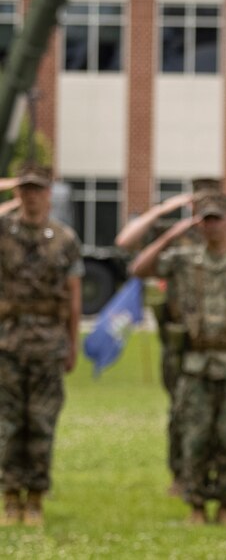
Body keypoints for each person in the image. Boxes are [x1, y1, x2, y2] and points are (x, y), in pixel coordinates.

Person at [130, 192, 226, 525]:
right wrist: (173, 232)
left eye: (217, 218)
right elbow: (139, 268)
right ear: (198, 223)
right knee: (196, 436)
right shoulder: (184, 259)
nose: (212, 225)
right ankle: (197, 506)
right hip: (195, 362)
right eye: (206, 219)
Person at [0, 164, 84, 527]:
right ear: (16, 192)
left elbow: (74, 295)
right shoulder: (2, 232)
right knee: (6, 423)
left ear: (49, 193)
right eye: (25, 189)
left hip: (49, 342)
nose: (31, 196)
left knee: (41, 422)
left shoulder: (65, 239)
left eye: (38, 189)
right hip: (8, 342)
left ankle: (34, 499)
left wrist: (72, 343)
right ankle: (9, 499)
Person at [115, 190, 197, 494]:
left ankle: (207, 480)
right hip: (178, 345)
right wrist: (163, 210)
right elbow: (126, 244)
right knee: (179, 412)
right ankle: (180, 476)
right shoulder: (176, 239)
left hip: (216, 344)